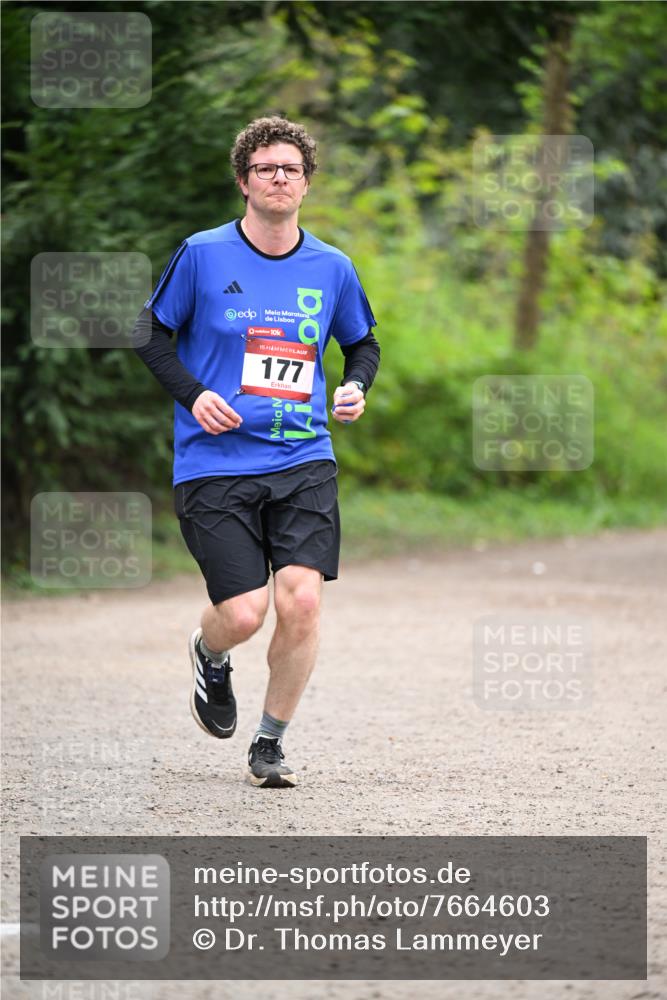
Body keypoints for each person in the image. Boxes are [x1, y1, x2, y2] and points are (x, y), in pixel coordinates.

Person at [134, 115, 380, 788]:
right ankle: (209, 652)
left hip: (301, 456)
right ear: (244, 181)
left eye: (291, 169)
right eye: (266, 168)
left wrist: (355, 385)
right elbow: (149, 333)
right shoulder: (202, 254)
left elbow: (360, 344)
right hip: (214, 461)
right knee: (244, 611)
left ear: (305, 183)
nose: (279, 178)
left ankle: (268, 744)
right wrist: (191, 395)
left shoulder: (331, 267)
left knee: (300, 601)